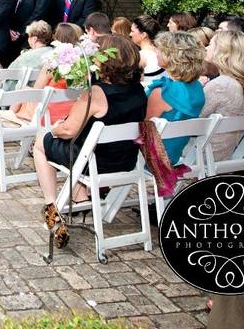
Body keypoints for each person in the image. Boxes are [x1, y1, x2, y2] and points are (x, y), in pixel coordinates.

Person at [34, 35, 146, 248]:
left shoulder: (97, 92)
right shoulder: (139, 91)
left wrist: (55, 128)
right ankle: (80, 196)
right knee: (75, 146)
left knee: (41, 142)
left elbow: (68, 130)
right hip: (125, 160)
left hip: (94, 162)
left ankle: (51, 206)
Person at [146, 31, 206, 165]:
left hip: (152, 159)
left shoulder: (162, 92)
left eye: (160, 50)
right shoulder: (197, 89)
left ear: (172, 56)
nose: (156, 53)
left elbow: (143, 130)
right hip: (174, 156)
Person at [200, 30, 244, 161]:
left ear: (222, 51)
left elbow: (195, 119)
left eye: (210, 44)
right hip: (228, 153)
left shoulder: (221, 85)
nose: (206, 48)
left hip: (204, 154)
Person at [130, 15, 164, 88]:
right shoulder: (164, 52)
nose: (130, 34)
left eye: (132, 31)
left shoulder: (141, 56)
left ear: (143, 35)